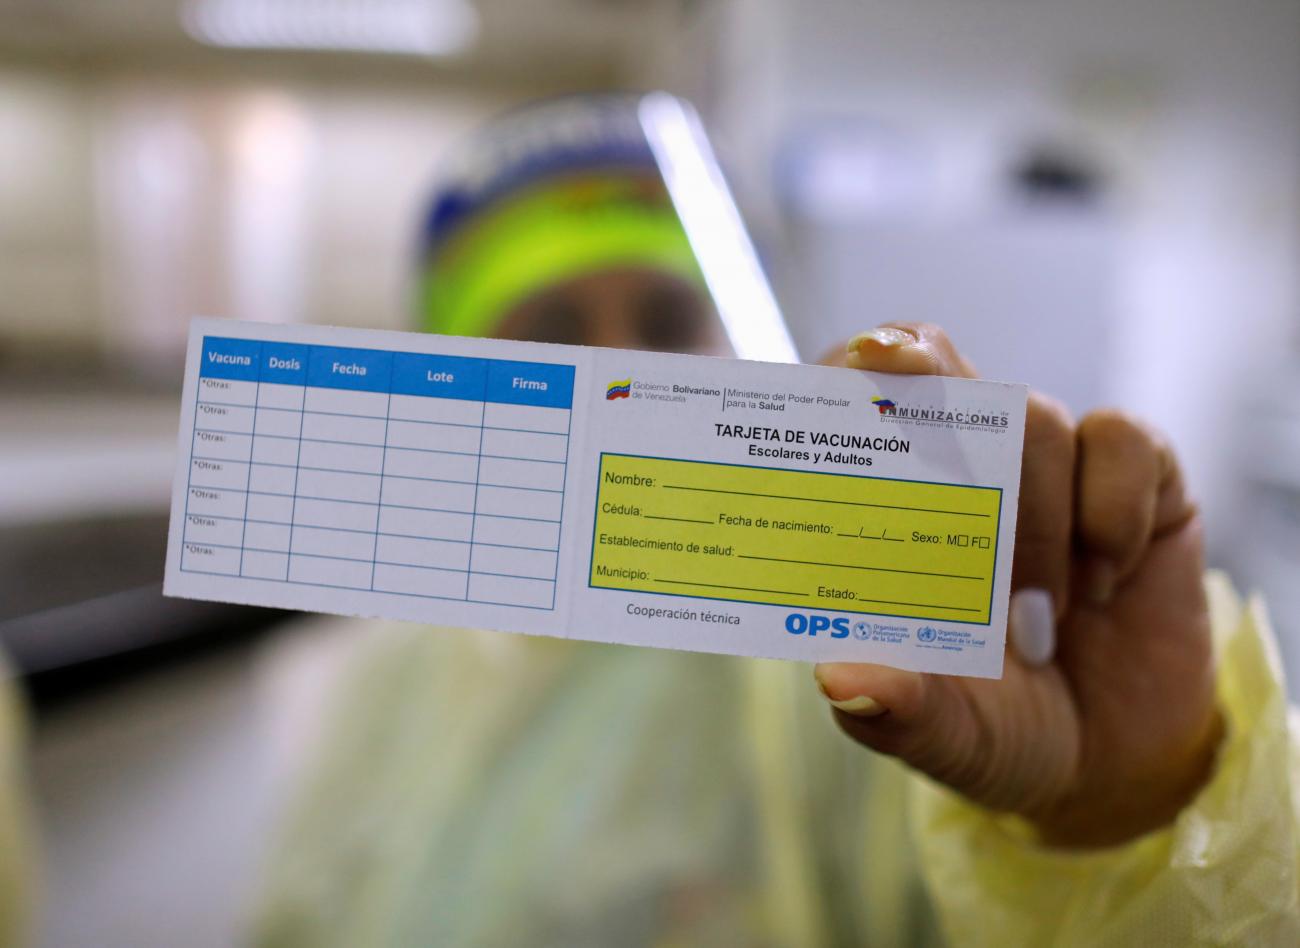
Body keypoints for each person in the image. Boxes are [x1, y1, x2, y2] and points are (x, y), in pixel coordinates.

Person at [253, 95, 1300, 946]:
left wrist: (1118, 824)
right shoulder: (389, 674)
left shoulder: (859, 674)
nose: (619, 369)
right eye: (550, 334)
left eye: (667, 321)